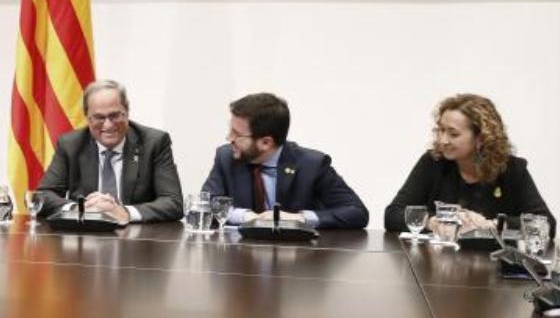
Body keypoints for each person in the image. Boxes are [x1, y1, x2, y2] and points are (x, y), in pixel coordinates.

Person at [384, 93, 554, 236]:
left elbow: (546, 224)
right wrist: (433, 222)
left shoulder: (511, 169)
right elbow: (392, 215)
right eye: (441, 130)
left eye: (453, 134)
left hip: (493, 269)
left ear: (481, 138)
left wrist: (492, 225)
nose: (443, 140)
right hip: (440, 267)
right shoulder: (433, 162)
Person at [201, 93, 369, 229]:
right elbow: (205, 205)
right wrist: (248, 217)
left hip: (297, 259)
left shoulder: (312, 165)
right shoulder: (226, 157)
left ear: (266, 142)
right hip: (239, 258)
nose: (229, 138)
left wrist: (298, 218)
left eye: (237, 134)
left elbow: (356, 213)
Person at [35, 80, 183, 224]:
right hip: (84, 238)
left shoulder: (154, 143)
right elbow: (43, 196)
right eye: (99, 117)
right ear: (87, 117)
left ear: (127, 111)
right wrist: (81, 209)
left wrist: (125, 212)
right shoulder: (71, 144)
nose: (108, 124)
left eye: (115, 115)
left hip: (137, 240)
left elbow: (173, 202)